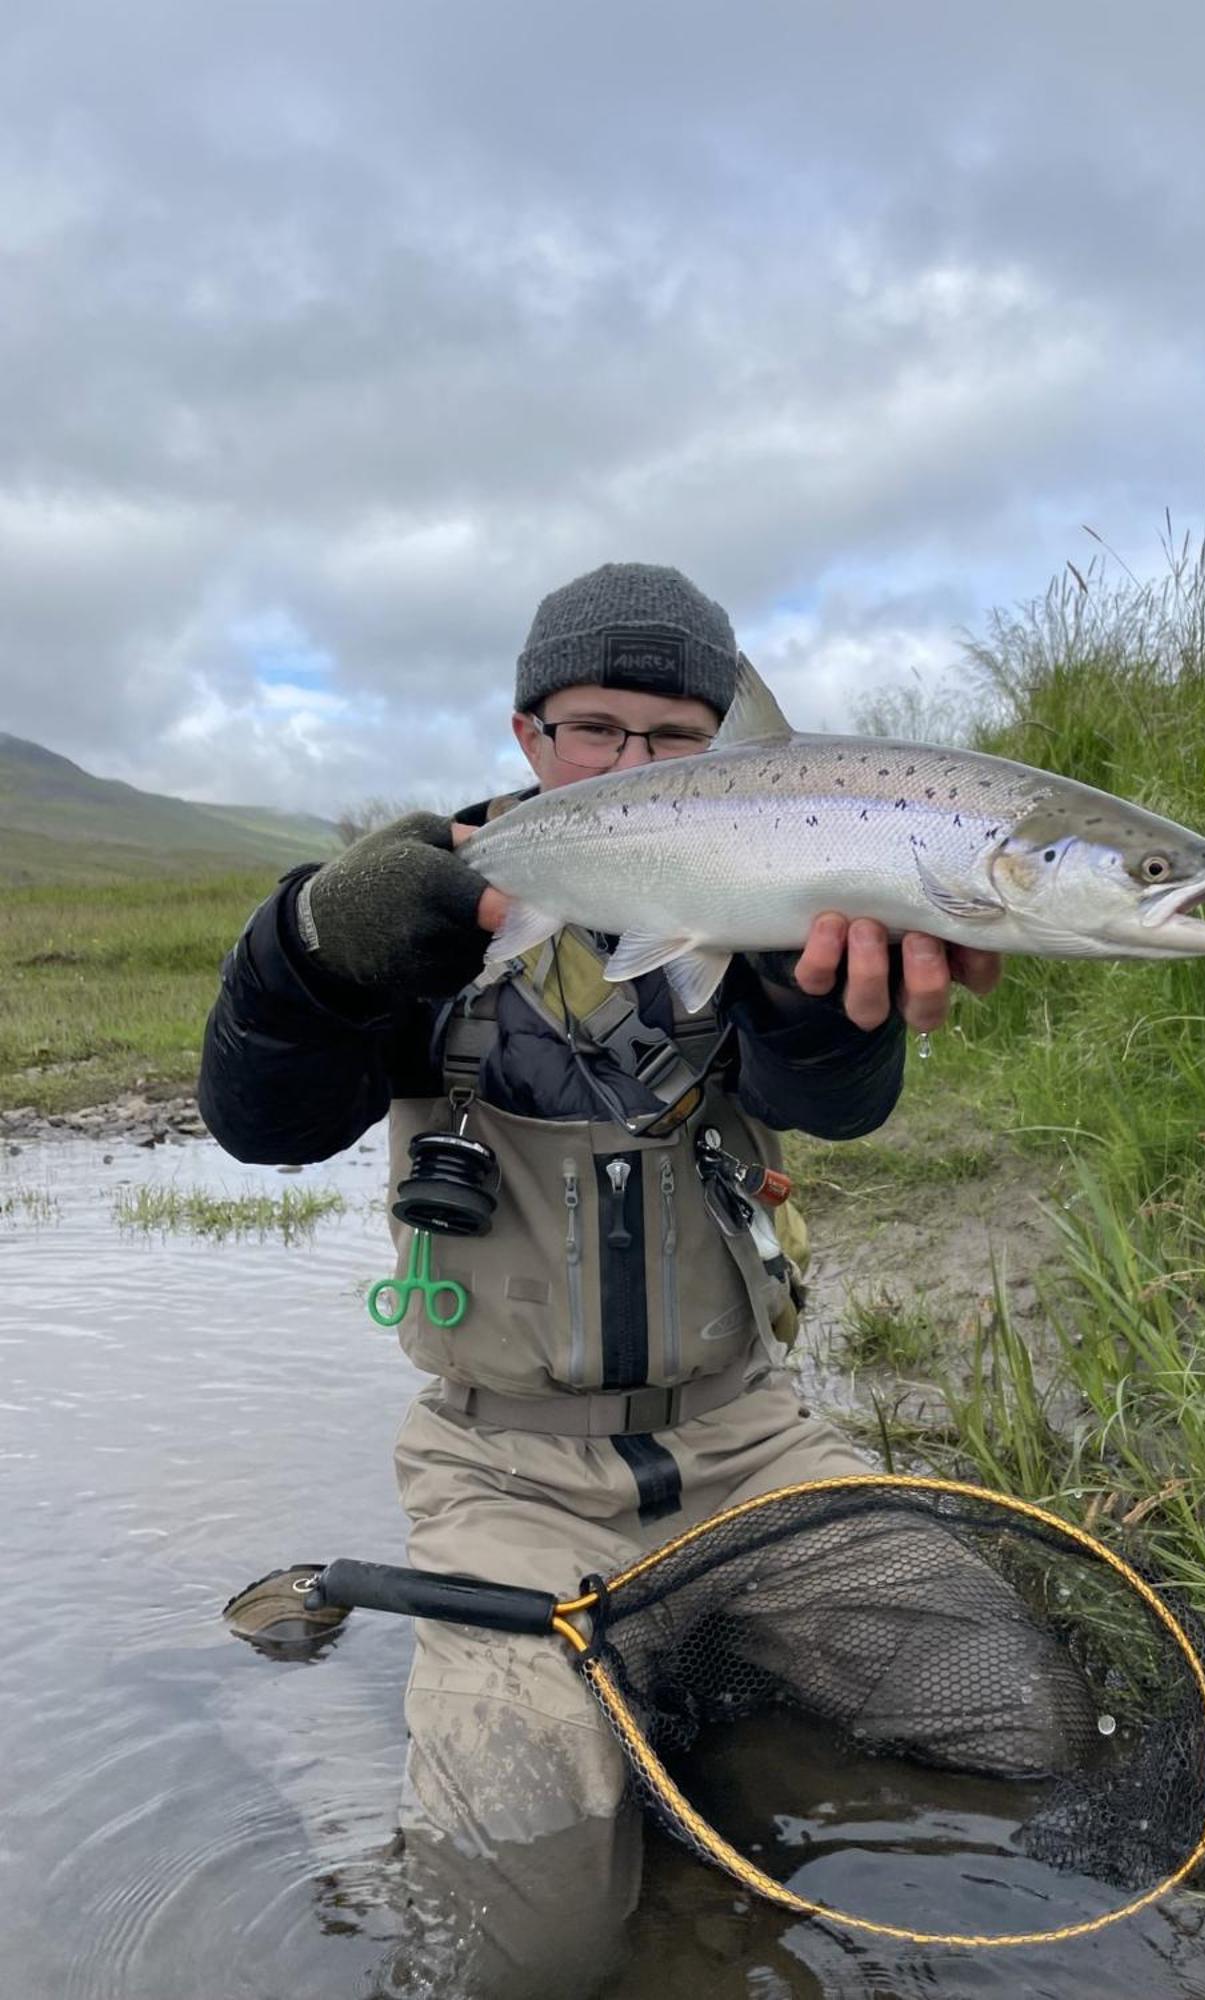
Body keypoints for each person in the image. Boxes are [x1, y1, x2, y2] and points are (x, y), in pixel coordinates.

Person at [199, 563, 1076, 1998]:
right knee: (528, 1936)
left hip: (756, 1442)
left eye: (675, 737)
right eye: (597, 728)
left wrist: (807, 997)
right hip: (504, 1480)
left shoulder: (785, 887)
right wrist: (306, 954)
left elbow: (837, 1102)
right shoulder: (444, 910)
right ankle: (411, 1745)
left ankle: (670, 1716)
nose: (631, 762)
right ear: (531, 734)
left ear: (729, 746)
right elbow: (259, 1124)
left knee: (1015, 1724)